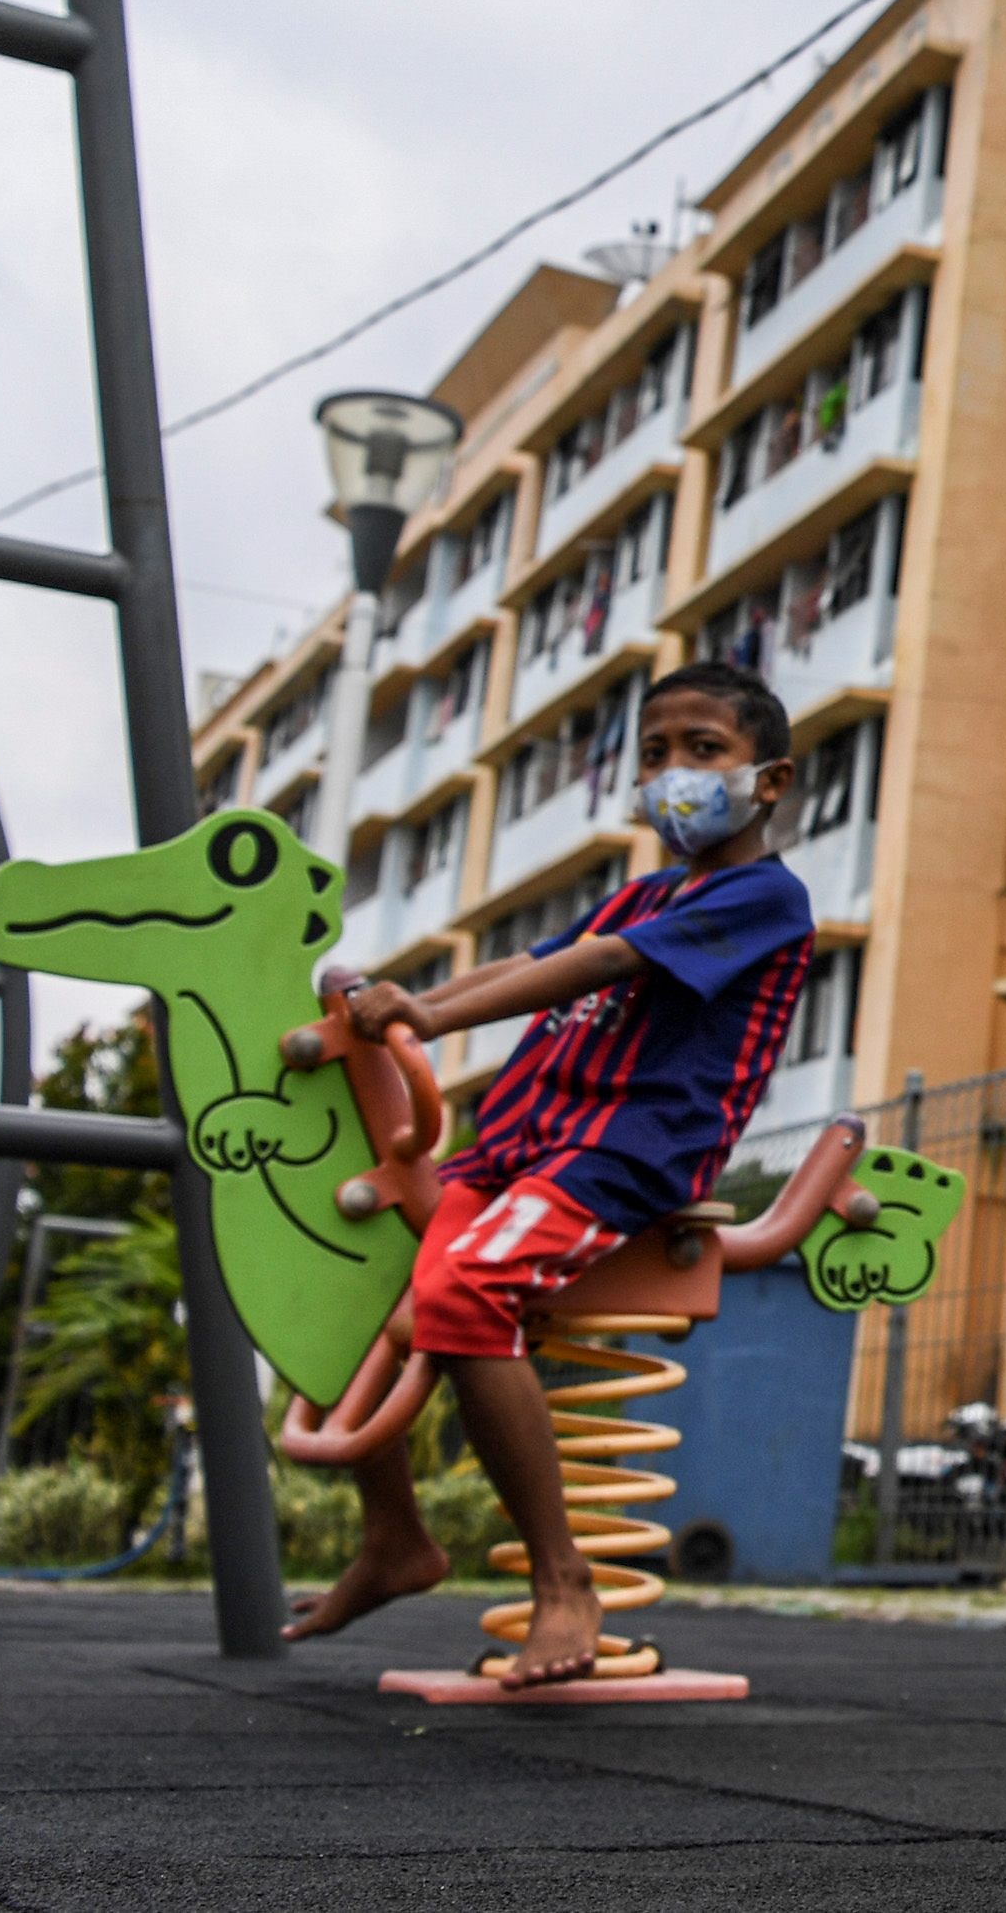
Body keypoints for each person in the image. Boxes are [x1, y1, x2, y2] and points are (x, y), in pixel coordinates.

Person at [280, 661, 813, 1686]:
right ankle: (395, 1541)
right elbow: (531, 966)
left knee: (464, 1292)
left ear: (770, 780)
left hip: (621, 1150)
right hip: (517, 1141)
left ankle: (565, 1581)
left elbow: (605, 964)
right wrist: (405, 998)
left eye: (704, 749)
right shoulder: (646, 892)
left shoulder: (764, 897)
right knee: (365, 1294)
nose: (673, 771)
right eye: (654, 753)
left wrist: (430, 1017)